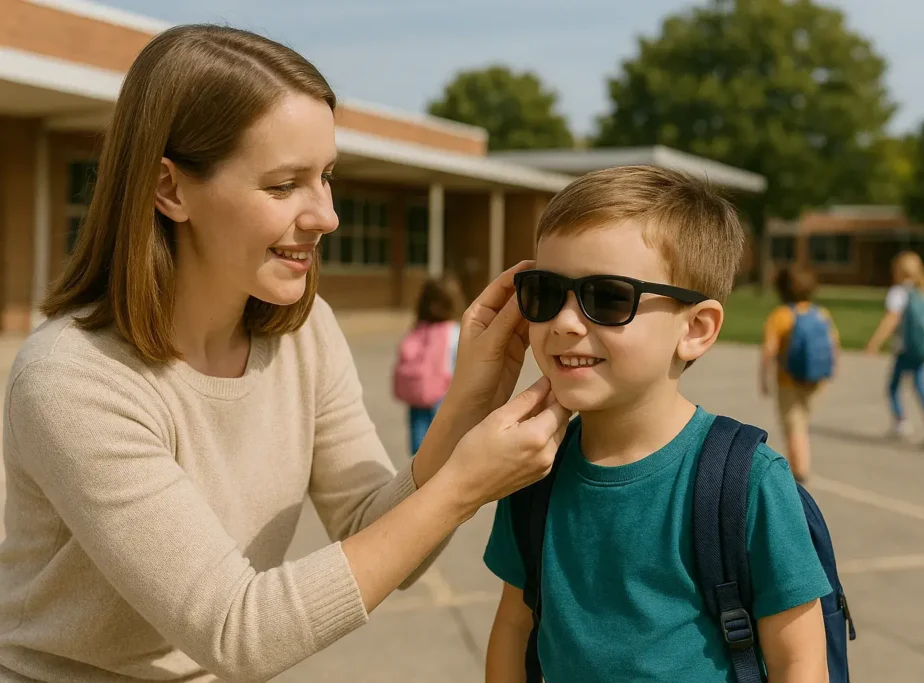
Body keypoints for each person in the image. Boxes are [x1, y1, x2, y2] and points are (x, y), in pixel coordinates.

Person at [0, 25, 571, 683]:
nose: (326, 215)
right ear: (170, 189)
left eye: (325, 177)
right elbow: (239, 633)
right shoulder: (73, 378)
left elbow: (381, 535)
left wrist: (468, 401)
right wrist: (465, 482)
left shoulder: (305, 333)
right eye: (283, 185)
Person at [483, 166, 832, 682]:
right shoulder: (533, 470)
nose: (564, 322)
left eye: (607, 298)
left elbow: (799, 662)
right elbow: (516, 623)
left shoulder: (746, 482)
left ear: (695, 329)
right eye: (544, 292)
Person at [760, 266, 840, 482]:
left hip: (789, 380)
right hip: (815, 379)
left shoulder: (781, 316)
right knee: (803, 421)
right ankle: (801, 462)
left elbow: (769, 350)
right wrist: (832, 369)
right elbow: (833, 343)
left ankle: (800, 471)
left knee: (794, 425)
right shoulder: (821, 313)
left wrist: (764, 378)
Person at [866, 250, 924, 447]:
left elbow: (891, 319)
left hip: (905, 348)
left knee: (893, 387)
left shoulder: (899, 293)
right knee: (920, 386)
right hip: (921, 347)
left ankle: (903, 423)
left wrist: (875, 342)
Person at [393, 275, 464, 455]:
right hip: (444, 394)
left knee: (418, 443)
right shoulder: (454, 332)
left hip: (418, 394)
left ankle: (417, 467)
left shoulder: (418, 330)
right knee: (442, 444)